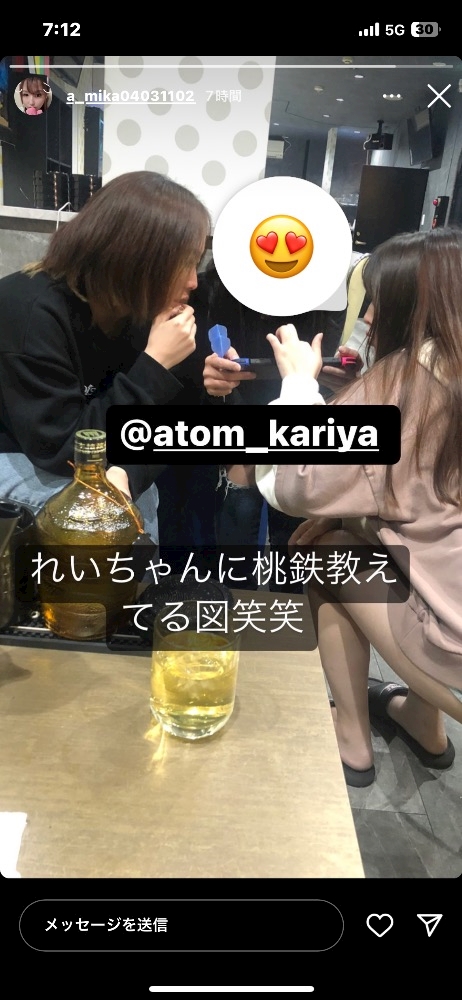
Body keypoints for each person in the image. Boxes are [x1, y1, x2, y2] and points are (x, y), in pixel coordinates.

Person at [255, 227, 462, 787]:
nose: (368, 315)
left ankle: (351, 737)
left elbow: (294, 485)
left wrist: (299, 385)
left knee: (324, 547)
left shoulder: (404, 381)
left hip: (453, 652)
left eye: (378, 299)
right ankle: (423, 721)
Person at [0, 170, 210, 543]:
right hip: (17, 452)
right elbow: (64, 449)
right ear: (134, 259)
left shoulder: (141, 311)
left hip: (65, 450)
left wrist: (129, 473)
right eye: (184, 263)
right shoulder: (30, 311)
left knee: (132, 493)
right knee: (106, 508)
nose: (193, 281)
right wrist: (153, 366)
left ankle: (134, 580)